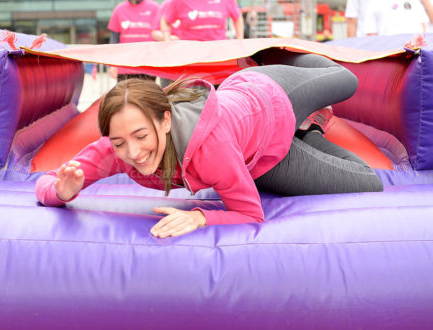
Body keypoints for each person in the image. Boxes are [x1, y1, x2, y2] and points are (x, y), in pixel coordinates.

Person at [35, 50, 383, 238]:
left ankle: (279, 55)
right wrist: (64, 192)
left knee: (346, 80)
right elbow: (47, 183)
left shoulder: (209, 148)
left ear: (165, 121)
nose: (134, 153)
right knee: (366, 180)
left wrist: (201, 218)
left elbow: (250, 213)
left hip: (270, 95)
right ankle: (308, 133)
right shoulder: (117, 148)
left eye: (141, 137)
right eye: (120, 143)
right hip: (261, 156)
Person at [107, 0, 159, 81]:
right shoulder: (119, 9)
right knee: (125, 93)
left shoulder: (155, 7)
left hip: (148, 66)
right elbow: (114, 40)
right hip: (124, 67)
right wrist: (111, 64)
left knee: (146, 93)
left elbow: (160, 35)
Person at [160, 0, 244, 41]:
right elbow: (165, 21)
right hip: (190, 54)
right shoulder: (179, 1)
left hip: (219, 53)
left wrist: (239, 40)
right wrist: (167, 41)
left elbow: (237, 17)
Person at [364, 0, 429, 36]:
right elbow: (371, 35)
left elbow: (423, 28)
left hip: (416, 52)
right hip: (390, 53)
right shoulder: (374, 3)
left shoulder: (415, 1)